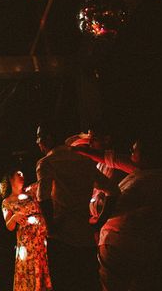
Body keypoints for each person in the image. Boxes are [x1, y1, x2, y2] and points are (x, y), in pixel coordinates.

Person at [73, 137, 162, 291]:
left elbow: (111, 207)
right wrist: (82, 151)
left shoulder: (146, 182)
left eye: (134, 150)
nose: (130, 151)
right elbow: (113, 159)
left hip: (122, 247)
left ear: (148, 156)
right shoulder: (149, 172)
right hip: (130, 245)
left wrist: (89, 183)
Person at [36, 122, 117, 291]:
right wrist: (99, 222)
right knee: (87, 283)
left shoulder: (47, 162)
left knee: (65, 283)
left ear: (49, 138)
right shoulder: (84, 160)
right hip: (85, 236)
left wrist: (51, 227)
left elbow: (43, 198)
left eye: (39, 137)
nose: (38, 142)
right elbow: (113, 191)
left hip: (62, 236)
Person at [0, 169, 51, 291]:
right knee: (29, 272)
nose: (22, 175)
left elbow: (46, 182)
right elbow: (9, 226)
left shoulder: (31, 192)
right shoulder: (7, 202)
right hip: (27, 244)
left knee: (43, 270)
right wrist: (14, 217)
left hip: (41, 240)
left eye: (23, 173)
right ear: (10, 179)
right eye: (18, 174)